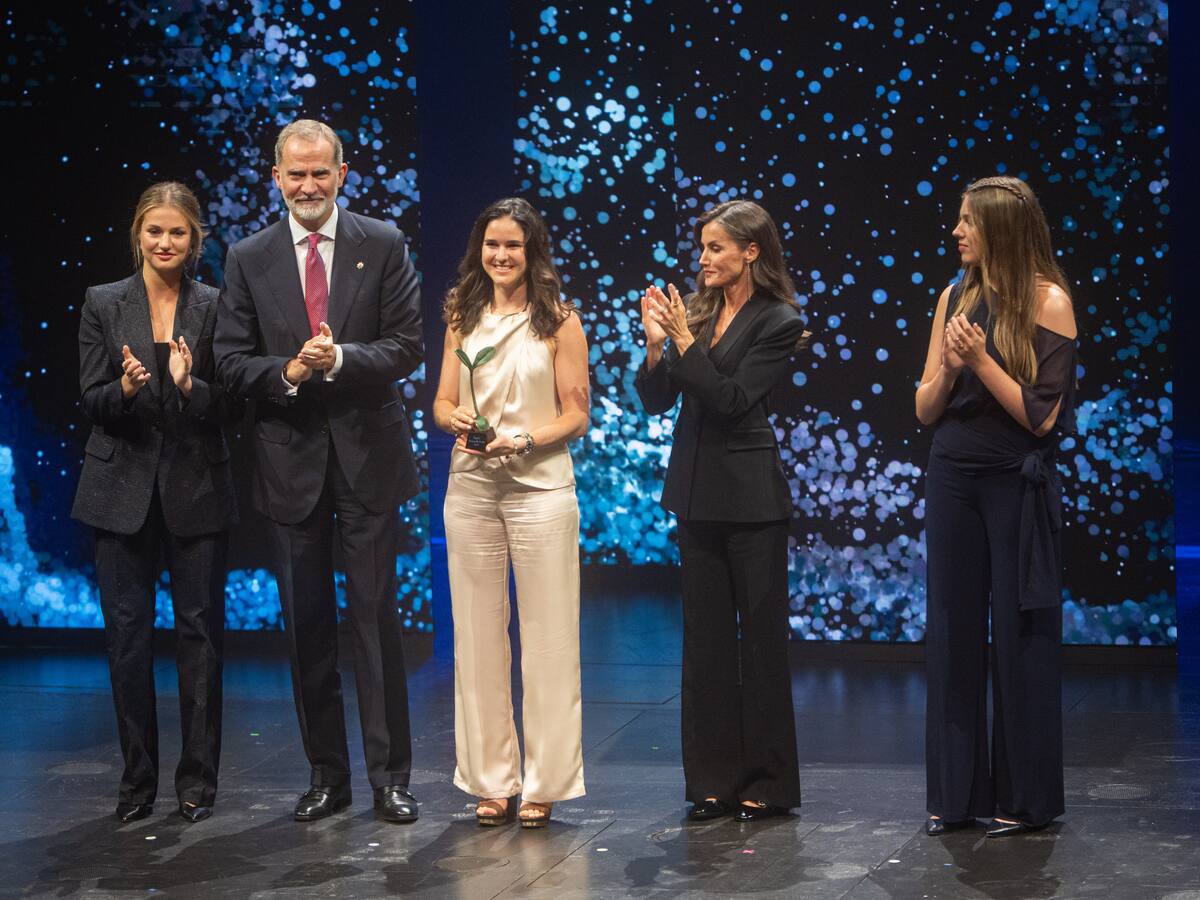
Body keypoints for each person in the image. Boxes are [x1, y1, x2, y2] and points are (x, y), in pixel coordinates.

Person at [214, 119, 423, 823]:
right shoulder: (248, 256)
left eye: (320, 173)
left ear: (342, 173)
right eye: (295, 174)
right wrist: (292, 371)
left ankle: (391, 776)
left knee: (373, 620)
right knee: (306, 626)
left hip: (370, 458)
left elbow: (405, 345)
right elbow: (231, 360)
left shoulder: (382, 242)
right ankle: (326, 776)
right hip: (288, 462)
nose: (308, 185)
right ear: (276, 177)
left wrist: (343, 359)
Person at [915, 175, 1077, 838]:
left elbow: (1042, 417)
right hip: (953, 474)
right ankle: (955, 798)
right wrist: (951, 370)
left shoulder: (1049, 302)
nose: (956, 232)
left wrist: (980, 363)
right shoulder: (954, 295)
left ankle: (1026, 798)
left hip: (1016, 480)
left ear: (1000, 231)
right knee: (953, 631)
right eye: (958, 221)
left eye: (967, 223)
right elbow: (925, 407)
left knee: (1019, 635)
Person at [72, 181, 238, 824]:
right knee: (128, 641)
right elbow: (90, 398)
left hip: (197, 487)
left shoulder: (217, 306)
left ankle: (197, 783)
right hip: (119, 492)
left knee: (200, 639)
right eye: (154, 231)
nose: (165, 243)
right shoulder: (103, 303)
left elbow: (232, 404)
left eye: (177, 233)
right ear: (138, 235)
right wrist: (126, 388)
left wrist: (190, 383)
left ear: (195, 240)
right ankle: (137, 781)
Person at [635, 199, 806, 822]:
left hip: (751, 499)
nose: (703, 260)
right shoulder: (700, 312)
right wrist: (658, 349)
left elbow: (733, 400)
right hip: (697, 493)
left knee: (760, 644)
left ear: (750, 252)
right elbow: (657, 400)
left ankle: (768, 780)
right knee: (705, 645)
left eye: (716, 249)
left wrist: (685, 342)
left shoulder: (778, 319)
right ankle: (710, 781)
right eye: (702, 248)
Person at [433, 198, 589, 828]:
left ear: (532, 253)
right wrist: (456, 420)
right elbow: (441, 402)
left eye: (514, 247)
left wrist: (525, 440)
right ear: (480, 250)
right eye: (492, 245)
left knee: (549, 642)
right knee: (476, 638)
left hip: (539, 490)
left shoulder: (558, 319)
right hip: (470, 489)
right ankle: (492, 780)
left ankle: (546, 780)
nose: (501, 256)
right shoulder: (460, 315)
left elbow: (577, 413)